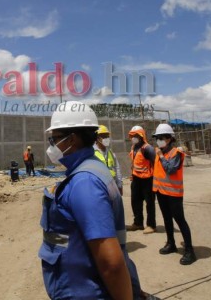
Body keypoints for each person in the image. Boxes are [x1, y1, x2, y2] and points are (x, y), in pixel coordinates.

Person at [39, 101, 149, 300]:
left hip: (85, 292)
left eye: (54, 139)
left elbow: (112, 263)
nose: (52, 145)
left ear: (72, 139)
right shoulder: (93, 167)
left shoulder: (84, 182)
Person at [152, 123, 197, 265]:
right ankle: (171, 243)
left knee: (180, 220)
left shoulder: (175, 153)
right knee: (166, 219)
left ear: (170, 138)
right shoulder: (160, 152)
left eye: (161, 137)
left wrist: (160, 156)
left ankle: (190, 251)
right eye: (157, 138)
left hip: (173, 194)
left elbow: (170, 169)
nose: (159, 140)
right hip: (161, 192)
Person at [127, 126, 157, 234]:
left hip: (148, 180)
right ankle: (138, 223)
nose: (133, 137)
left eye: (136, 135)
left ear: (141, 136)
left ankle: (151, 225)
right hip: (136, 179)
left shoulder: (148, 148)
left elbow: (155, 164)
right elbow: (134, 163)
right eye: (132, 135)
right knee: (135, 202)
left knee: (150, 203)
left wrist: (156, 179)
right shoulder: (134, 147)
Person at [94, 125, 123, 195]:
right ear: (97, 138)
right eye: (104, 136)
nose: (106, 138)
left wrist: (119, 184)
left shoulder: (111, 153)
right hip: (99, 187)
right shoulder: (92, 153)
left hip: (113, 185)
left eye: (107, 136)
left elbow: (117, 168)